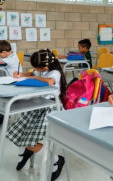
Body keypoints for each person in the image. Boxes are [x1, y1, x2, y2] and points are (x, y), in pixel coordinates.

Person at [7, 49, 67, 181]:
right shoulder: (43, 70)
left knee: (28, 140)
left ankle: (56, 161)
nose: (35, 70)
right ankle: (27, 152)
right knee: (17, 132)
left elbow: (50, 81)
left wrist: (32, 77)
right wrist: (21, 74)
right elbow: (31, 72)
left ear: (45, 67)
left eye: (37, 68)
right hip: (38, 106)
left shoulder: (55, 73)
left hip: (50, 109)